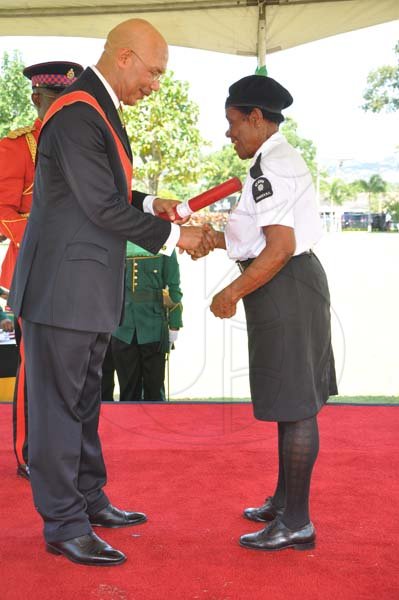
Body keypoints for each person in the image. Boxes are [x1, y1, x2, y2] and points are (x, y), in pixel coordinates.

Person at [9, 18, 213, 567]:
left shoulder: (95, 109)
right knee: (56, 409)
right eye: (154, 71)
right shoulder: (77, 113)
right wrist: (177, 235)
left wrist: (153, 204)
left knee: (82, 404)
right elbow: (100, 205)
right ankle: (63, 524)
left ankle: (89, 500)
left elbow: (110, 191)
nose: (156, 84)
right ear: (124, 57)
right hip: (61, 292)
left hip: (85, 291)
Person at [197, 75, 338, 551]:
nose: (229, 133)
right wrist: (213, 239)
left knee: (295, 406)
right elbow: (258, 237)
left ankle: (297, 522)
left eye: (233, 123)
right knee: (289, 401)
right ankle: (284, 501)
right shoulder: (274, 159)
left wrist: (230, 292)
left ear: (256, 118)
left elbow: (278, 249)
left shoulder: (271, 168)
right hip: (290, 285)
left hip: (286, 285)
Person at [0, 61, 84, 480]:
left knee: (75, 368)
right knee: (35, 364)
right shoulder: (18, 147)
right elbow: (2, 211)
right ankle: (30, 451)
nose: (62, 108)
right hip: (33, 270)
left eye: (68, 100)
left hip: (78, 272)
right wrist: (45, 235)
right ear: (36, 99)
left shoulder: (82, 139)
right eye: (55, 99)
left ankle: (69, 454)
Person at [111, 242, 183, 401]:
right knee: (128, 390)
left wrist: (174, 323)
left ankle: (155, 425)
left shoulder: (165, 245)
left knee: (155, 389)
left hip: (153, 327)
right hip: (123, 327)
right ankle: (129, 424)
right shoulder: (118, 243)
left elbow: (173, 287)